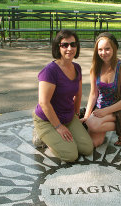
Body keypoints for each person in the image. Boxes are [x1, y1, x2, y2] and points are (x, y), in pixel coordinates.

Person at [32, 29, 93, 162]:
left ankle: (60, 140)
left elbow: (78, 93)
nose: (69, 48)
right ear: (57, 47)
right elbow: (44, 103)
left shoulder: (77, 68)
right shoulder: (50, 71)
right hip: (47, 120)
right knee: (71, 155)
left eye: (73, 44)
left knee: (87, 149)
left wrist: (76, 114)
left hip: (68, 117)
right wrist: (59, 127)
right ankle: (41, 135)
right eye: (65, 45)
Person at [81, 32, 121, 147]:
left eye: (107, 49)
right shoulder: (96, 67)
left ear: (114, 48)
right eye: (100, 50)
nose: (103, 53)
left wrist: (106, 111)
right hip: (100, 108)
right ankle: (103, 124)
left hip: (120, 110)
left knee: (92, 123)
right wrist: (86, 115)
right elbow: (93, 94)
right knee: (93, 143)